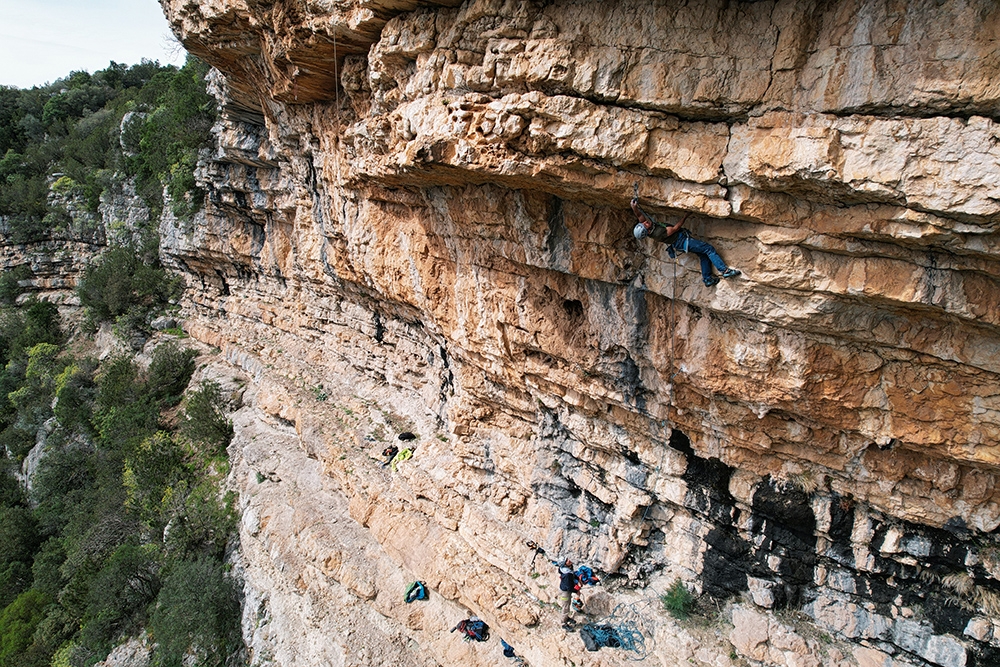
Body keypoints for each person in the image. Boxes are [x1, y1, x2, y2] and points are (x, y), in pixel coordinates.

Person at [631, 198, 740, 287]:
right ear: (647, 231)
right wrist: (686, 216)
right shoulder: (659, 233)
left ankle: (707, 279)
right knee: (708, 249)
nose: (646, 222)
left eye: (645, 223)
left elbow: (640, 216)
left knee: (703, 255)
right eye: (645, 224)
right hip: (682, 241)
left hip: (680, 242)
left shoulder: (647, 229)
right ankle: (725, 271)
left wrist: (634, 207)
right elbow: (676, 228)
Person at [553, 558, 579, 627]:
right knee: (565, 607)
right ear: (565, 564)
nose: (569, 560)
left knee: (567, 605)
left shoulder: (563, 569)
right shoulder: (567, 574)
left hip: (564, 590)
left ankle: (566, 618)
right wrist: (576, 591)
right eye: (567, 560)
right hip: (565, 593)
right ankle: (563, 623)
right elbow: (569, 587)